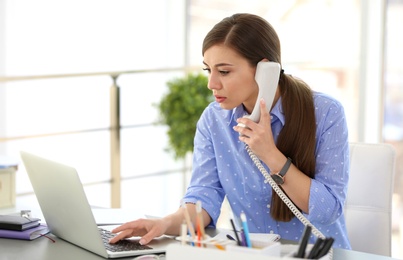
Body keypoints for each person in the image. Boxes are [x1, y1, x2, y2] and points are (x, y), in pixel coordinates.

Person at [110, 13, 351, 249]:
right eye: (208, 70)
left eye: (224, 71)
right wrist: (163, 224)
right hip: (255, 255)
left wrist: (270, 155)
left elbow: (328, 210)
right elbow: (205, 197)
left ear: (264, 71)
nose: (211, 84)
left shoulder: (326, 113)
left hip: (319, 254)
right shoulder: (214, 120)